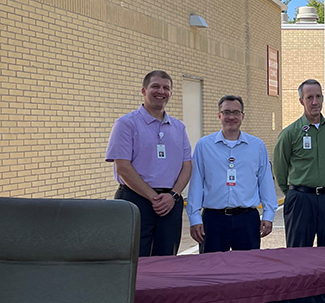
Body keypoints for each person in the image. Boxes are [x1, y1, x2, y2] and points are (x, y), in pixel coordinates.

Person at [105, 70, 192, 257]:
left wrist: (173, 195)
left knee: (166, 260)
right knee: (134, 260)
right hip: (135, 200)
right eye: (155, 86)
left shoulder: (179, 127)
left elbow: (187, 166)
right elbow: (123, 167)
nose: (161, 91)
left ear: (171, 93)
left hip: (170, 202)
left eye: (166, 88)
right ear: (144, 91)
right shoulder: (126, 124)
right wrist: (154, 198)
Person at [187, 95, 277, 253]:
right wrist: (194, 217)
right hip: (213, 219)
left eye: (236, 112)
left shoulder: (257, 146)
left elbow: (265, 182)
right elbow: (196, 183)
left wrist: (268, 215)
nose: (231, 117)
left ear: (243, 116)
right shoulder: (204, 146)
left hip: (247, 220)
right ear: (219, 115)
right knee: (212, 269)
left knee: (247, 270)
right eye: (226, 112)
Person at [273, 79, 325, 247]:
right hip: (301, 200)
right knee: (299, 254)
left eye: (318, 96)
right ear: (301, 101)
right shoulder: (290, 134)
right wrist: (294, 192)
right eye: (309, 97)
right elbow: (280, 169)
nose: (315, 102)